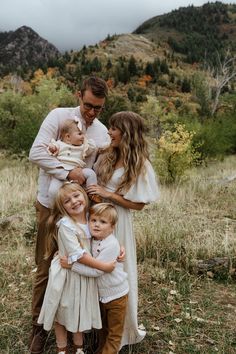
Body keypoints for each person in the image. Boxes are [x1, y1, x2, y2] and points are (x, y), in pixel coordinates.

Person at [29, 76, 110, 353]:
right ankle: (38, 328)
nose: (91, 112)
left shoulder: (101, 132)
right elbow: (36, 153)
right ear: (79, 96)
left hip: (79, 210)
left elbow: (98, 170)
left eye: (98, 108)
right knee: (45, 263)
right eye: (88, 105)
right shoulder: (59, 116)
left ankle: (86, 326)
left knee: (82, 265)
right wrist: (67, 173)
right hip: (49, 204)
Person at [86, 111, 159, 348]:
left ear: (126, 132)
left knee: (117, 269)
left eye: (114, 128)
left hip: (119, 221)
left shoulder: (139, 163)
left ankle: (120, 331)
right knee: (93, 265)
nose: (109, 132)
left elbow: (139, 205)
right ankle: (94, 328)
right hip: (95, 217)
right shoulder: (107, 154)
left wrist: (110, 194)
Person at [37, 183, 116, 354]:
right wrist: (103, 266)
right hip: (67, 275)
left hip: (83, 275)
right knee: (62, 310)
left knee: (77, 310)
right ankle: (62, 348)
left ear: (84, 195)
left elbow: (105, 235)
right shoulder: (66, 225)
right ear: (62, 207)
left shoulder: (92, 218)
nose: (74, 201)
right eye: (67, 201)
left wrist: (118, 249)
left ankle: (79, 348)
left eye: (76, 196)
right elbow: (79, 255)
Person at [61, 203, 129, 354]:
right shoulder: (92, 239)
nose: (97, 225)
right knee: (102, 330)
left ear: (112, 227)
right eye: (93, 220)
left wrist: (72, 266)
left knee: (114, 334)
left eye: (103, 222)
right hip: (100, 295)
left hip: (116, 296)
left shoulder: (111, 244)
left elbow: (97, 271)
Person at [47, 119, 101, 205]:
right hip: (62, 171)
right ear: (68, 137)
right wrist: (52, 148)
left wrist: (85, 139)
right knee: (53, 190)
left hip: (78, 171)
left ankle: (92, 193)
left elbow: (92, 148)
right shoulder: (60, 144)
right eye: (80, 134)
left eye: (83, 134)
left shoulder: (83, 147)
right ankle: (53, 208)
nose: (83, 136)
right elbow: (52, 149)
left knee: (90, 173)